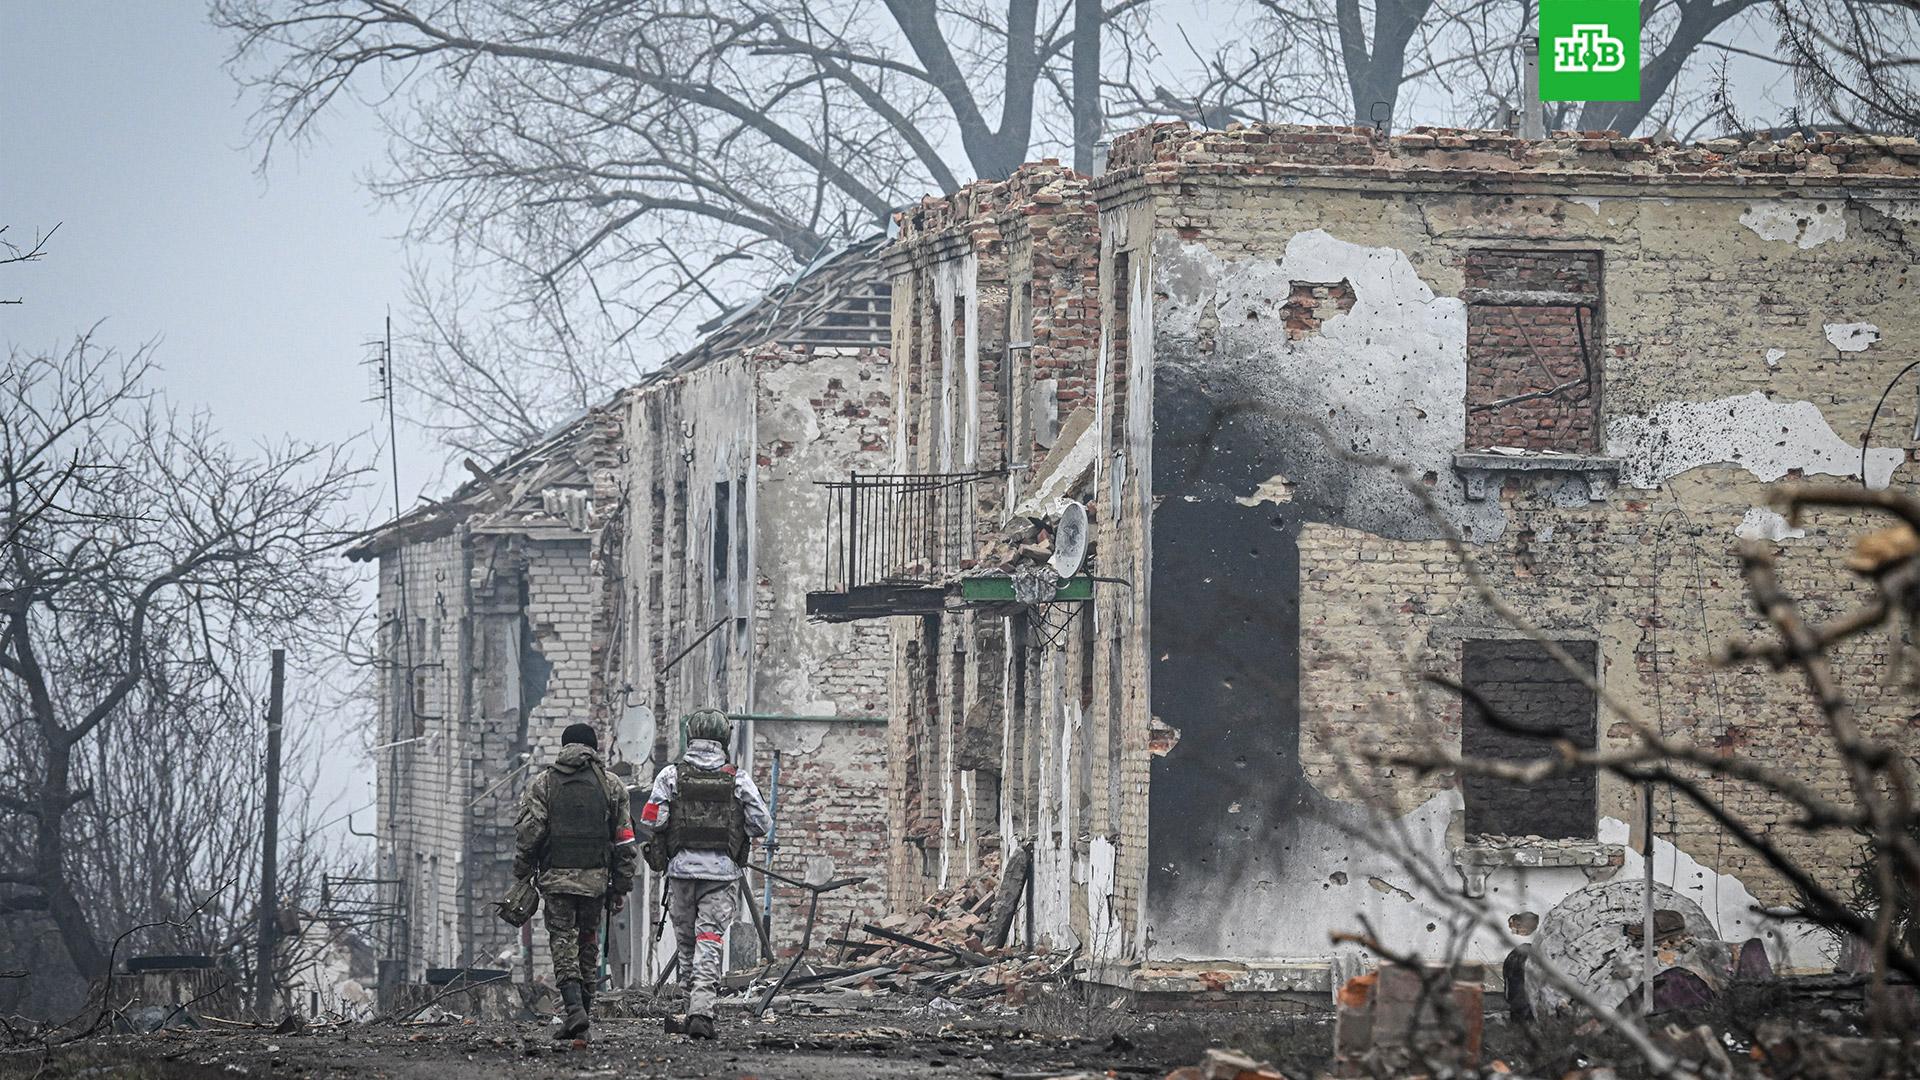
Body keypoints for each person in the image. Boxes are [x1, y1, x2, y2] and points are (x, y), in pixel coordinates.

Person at [640, 708, 771, 1039]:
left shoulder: (670, 775)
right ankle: (701, 1011)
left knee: (687, 943)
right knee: (709, 939)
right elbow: (761, 823)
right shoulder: (738, 778)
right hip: (722, 873)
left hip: (681, 872)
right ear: (723, 739)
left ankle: (692, 1006)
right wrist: (733, 826)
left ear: (690, 736)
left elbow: (652, 819)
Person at [514, 722, 637, 1040]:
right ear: (593, 748)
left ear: (564, 747)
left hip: (557, 879)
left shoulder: (544, 783)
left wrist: (522, 872)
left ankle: (574, 1011)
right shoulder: (612, 785)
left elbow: (529, 834)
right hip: (595, 881)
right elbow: (625, 841)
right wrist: (621, 886)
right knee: (588, 942)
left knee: (562, 941)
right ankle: (583, 1014)